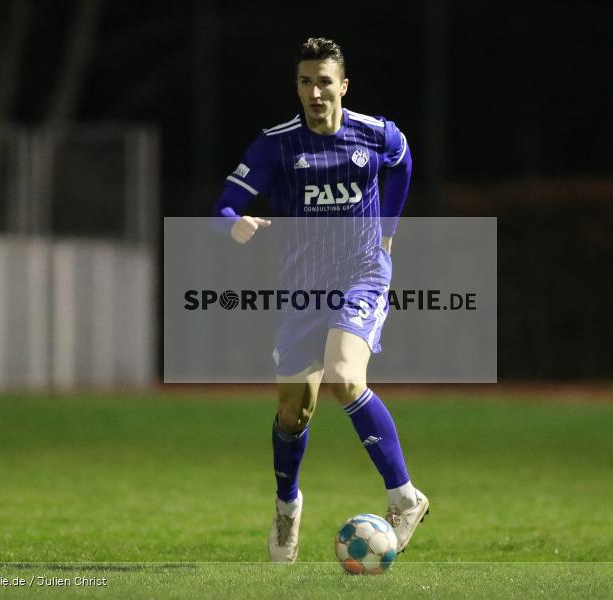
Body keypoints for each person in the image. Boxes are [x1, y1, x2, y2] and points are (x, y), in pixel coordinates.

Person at [211, 37, 429, 563]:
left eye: (324, 81)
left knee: (344, 376)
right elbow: (223, 205)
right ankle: (287, 508)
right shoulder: (276, 145)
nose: (314, 91)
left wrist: (386, 232)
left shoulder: (374, 134)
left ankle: (404, 496)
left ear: (343, 86)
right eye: (305, 82)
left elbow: (402, 161)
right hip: (302, 290)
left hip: (362, 276)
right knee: (293, 411)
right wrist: (234, 223)